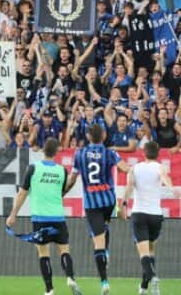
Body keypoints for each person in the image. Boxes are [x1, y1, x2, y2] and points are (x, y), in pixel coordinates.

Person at [5, 138, 81, 295]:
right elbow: (61, 193)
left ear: (43, 150)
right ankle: (70, 278)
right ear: (56, 152)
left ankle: (49, 289)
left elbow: (23, 193)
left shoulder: (33, 168)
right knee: (64, 251)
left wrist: (13, 214)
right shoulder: (62, 170)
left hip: (40, 218)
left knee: (43, 253)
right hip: (58, 218)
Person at [71, 124, 128, 295]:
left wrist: (63, 191)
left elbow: (72, 178)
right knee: (104, 227)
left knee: (97, 241)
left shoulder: (79, 154)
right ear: (103, 136)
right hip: (109, 200)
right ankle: (107, 252)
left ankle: (104, 282)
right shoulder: (110, 153)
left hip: (92, 204)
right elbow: (124, 167)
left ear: (89, 136)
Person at [120, 140, 175, 295]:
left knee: (144, 254)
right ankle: (144, 287)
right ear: (158, 153)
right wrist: (171, 188)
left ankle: (153, 277)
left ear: (144, 152)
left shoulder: (135, 168)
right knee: (151, 251)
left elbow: (129, 187)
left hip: (139, 214)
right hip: (156, 216)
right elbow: (164, 177)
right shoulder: (160, 167)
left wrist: (123, 204)